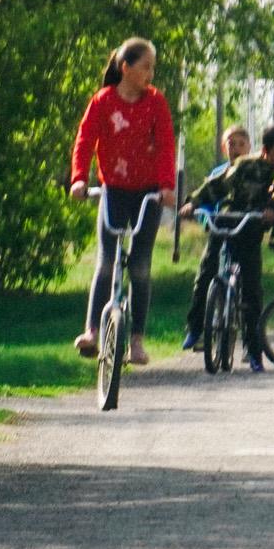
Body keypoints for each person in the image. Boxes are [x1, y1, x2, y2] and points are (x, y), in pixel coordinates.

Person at [69, 37, 179, 365]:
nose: (150, 73)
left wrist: (167, 186)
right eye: (146, 66)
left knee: (141, 267)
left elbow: (165, 145)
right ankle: (91, 330)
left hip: (148, 193)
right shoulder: (103, 101)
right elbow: (85, 140)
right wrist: (79, 178)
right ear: (126, 68)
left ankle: (137, 341)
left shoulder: (156, 102)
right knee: (106, 261)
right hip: (113, 190)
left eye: (152, 68)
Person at [179, 124, 274, 370]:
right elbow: (216, 185)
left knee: (252, 289)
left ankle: (253, 352)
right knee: (207, 269)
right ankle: (196, 327)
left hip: (251, 229)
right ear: (264, 152)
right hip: (228, 219)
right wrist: (193, 203)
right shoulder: (246, 166)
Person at [179, 125, 249, 354]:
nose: (237, 149)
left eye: (241, 144)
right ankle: (195, 328)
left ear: (249, 147)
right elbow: (205, 198)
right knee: (205, 271)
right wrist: (201, 215)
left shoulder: (254, 170)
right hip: (219, 228)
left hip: (244, 230)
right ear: (223, 147)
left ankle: (251, 342)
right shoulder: (218, 174)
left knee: (250, 283)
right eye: (232, 144)